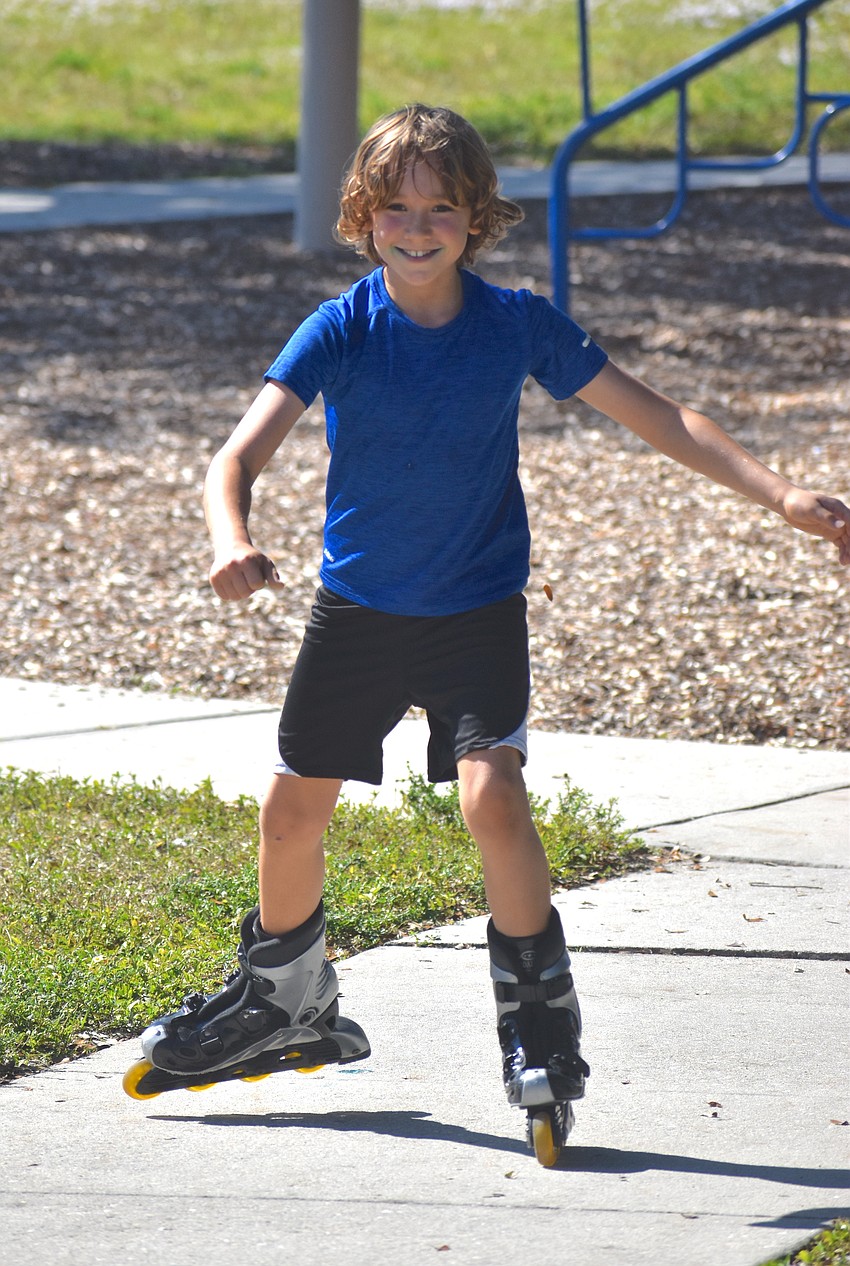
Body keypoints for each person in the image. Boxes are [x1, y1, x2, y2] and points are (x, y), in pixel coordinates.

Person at [131, 104, 850, 1151]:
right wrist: (229, 536)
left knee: (494, 803)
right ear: (361, 217)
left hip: (476, 615)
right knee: (291, 817)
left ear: (477, 219)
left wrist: (778, 493)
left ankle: (539, 1028)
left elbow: (660, 416)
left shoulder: (517, 324)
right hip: (358, 615)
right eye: (396, 209)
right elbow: (233, 458)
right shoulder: (340, 328)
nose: (417, 228)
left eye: (441, 209)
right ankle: (285, 995)